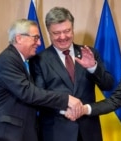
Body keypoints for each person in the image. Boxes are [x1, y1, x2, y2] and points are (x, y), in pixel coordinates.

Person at [0, 19, 83, 141]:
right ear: (19, 38)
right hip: (3, 134)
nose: (39, 43)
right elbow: (28, 93)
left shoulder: (21, 61)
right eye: (35, 38)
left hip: (17, 133)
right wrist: (67, 99)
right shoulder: (7, 60)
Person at [29, 7, 114, 141]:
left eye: (67, 31)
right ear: (48, 33)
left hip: (89, 131)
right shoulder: (38, 60)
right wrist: (65, 109)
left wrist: (93, 68)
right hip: (56, 133)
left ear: (72, 29)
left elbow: (108, 85)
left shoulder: (89, 53)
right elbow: (38, 98)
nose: (63, 37)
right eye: (56, 33)